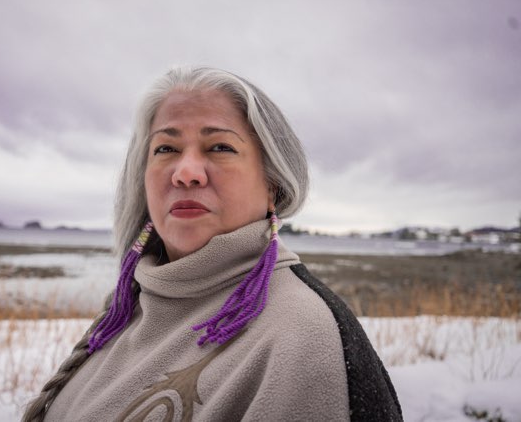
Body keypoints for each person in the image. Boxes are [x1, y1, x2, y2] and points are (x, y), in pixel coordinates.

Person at [23, 66, 402, 421]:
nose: (186, 173)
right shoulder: (126, 311)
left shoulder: (302, 341)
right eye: (166, 149)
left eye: (220, 147)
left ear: (273, 185)